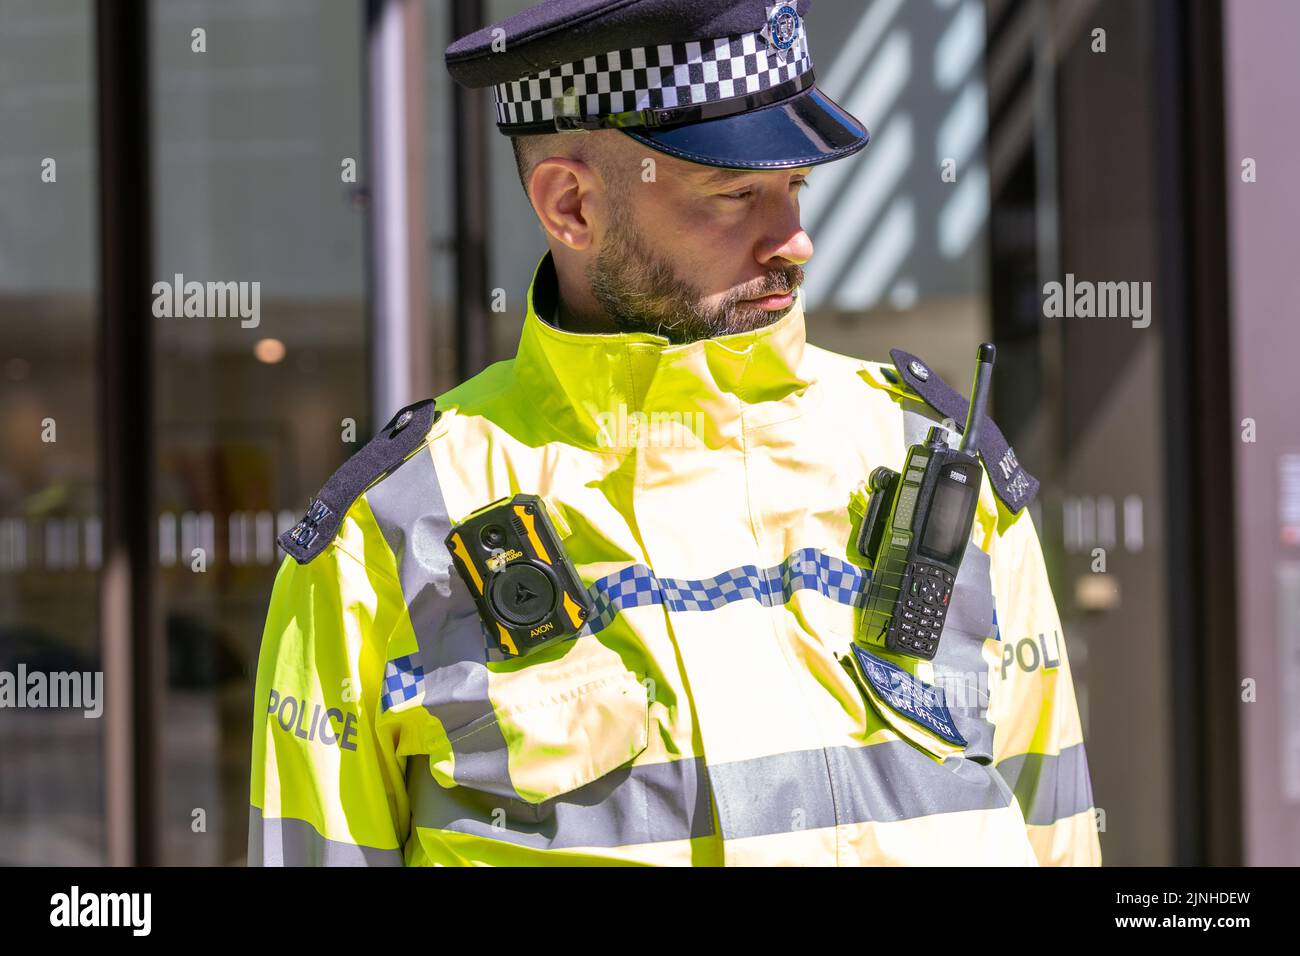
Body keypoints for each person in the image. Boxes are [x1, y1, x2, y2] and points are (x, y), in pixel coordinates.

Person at [248, 0, 1101, 866]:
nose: (796, 241)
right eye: (737, 193)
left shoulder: (938, 463)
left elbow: (1058, 837)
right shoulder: (386, 538)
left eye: (796, 187)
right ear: (572, 205)